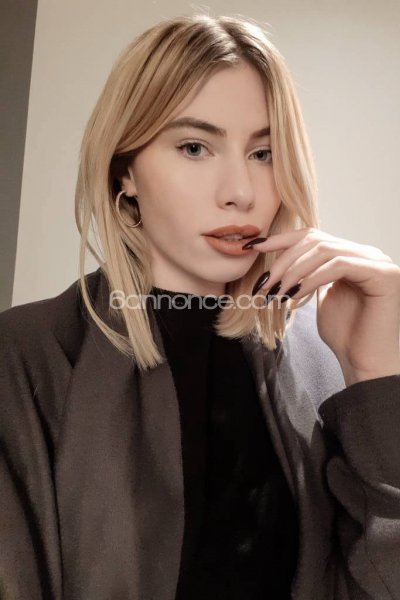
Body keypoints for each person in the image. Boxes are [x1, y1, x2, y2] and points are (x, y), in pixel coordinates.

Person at [1, 12, 399, 600]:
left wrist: (375, 374)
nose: (240, 191)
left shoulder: (325, 355)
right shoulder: (26, 356)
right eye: (195, 147)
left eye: (264, 153)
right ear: (125, 171)